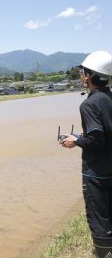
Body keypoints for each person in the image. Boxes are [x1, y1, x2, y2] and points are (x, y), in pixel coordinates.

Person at [60, 50, 112, 258]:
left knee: (99, 218)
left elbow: (97, 139)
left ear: (89, 75)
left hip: (96, 173)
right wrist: (83, 136)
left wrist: (76, 140)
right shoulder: (109, 98)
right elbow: (104, 131)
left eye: (82, 71)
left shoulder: (89, 104)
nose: (80, 75)